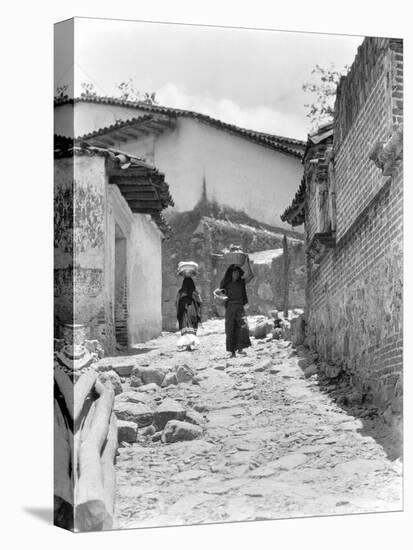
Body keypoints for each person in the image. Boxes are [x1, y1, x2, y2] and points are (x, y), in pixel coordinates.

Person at [219, 264, 251, 358]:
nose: (236, 274)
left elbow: (251, 276)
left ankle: (240, 348)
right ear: (231, 274)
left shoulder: (241, 283)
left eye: (237, 273)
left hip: (240, 308)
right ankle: (232, 351)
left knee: (242, 328)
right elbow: (219, 293)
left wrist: (247, 263)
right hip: (230, 308)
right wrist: (221, 297)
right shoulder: (226, 284)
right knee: (230, 329)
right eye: (234, 273)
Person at [175, 277, 202, 351]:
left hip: (184, 314)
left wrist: (178, 314)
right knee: (192, 329)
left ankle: (188, 345)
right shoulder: (195, 292)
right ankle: (190, 345)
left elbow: (177, 303)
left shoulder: (180, 292)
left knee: (186, 329)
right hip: (193, 314)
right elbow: (200, 302)